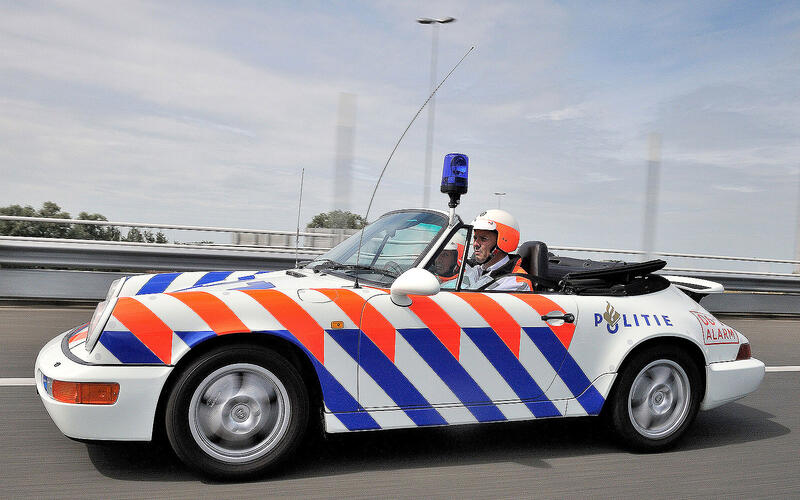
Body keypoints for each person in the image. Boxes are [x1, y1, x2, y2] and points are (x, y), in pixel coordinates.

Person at [462, 209, 532, 292]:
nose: (475, 244)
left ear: (504, 241)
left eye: (483, 239)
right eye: (475, 238)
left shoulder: (516, 282)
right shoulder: (475, 270)